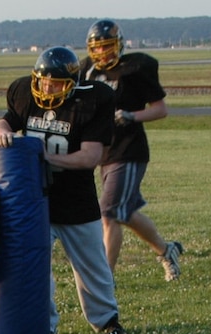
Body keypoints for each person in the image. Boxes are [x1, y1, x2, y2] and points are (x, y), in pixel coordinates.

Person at [0, 46, 125, 334]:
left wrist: (40, 156)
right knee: (35, 267)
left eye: (57, 84)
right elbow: (5, 121)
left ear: (72, 83)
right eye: (44, 82)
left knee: (91, 266)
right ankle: (42, 325)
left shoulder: (93, 100)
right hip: (35, 199)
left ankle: (108, 324)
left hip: (75, 199)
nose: (48, 88)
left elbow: (90, 157)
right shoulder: (24, 91)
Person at [81, 19, 183, 281]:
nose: (103, 53)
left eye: (108, 47)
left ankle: (103, 280)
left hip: (129, 149)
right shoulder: (88, 70)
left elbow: (160, 109)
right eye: (99, 48)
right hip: (102, 151)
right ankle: (165, 249)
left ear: (119, 44)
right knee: (124, 213)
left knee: (109, 213)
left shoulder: (135, 68)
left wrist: (130, 115)